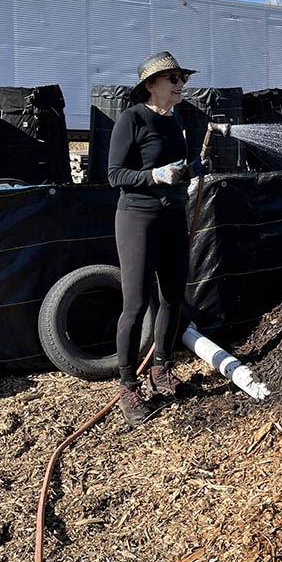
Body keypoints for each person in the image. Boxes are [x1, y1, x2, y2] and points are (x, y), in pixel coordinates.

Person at [107, 51, 206, 426]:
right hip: (138, 218)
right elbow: (115, 174)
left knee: (173, 297)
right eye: (174, 79)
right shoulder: (132, 119)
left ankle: (161, 369)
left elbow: (174, 169)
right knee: (134, 305)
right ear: (151, 85)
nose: (181, 84)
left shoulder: (175, 119)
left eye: (183, 78)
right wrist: (154, 177)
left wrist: (191, 170)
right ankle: (128, 386)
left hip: (172, 217)